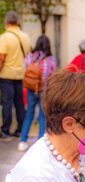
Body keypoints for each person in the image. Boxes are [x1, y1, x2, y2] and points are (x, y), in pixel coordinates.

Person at [18, 35, 57, 152]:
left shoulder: (30, 57)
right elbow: (53, 76)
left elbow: (25, 69)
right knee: (42, 117)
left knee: (29, 115)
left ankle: (22, 141)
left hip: (30, 90)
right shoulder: (51, 60)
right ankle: (40, 145)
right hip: (44, 91)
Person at [0, 11, 31, 140]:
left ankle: (5, 131)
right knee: (19, 103)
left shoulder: (4, 37)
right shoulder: (25, 37)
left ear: (6, 22)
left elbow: (1, 58)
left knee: (7, 103)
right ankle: (20, 129)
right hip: (20, 75)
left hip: (6, 75)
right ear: (18, 22)